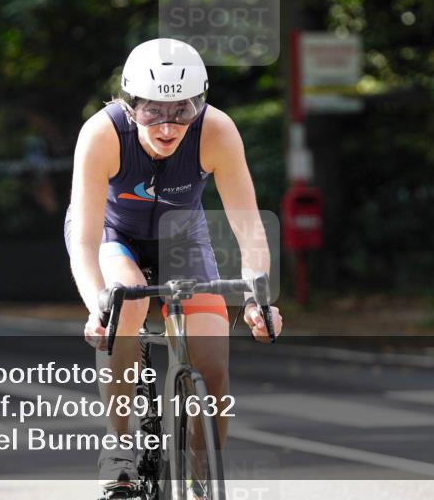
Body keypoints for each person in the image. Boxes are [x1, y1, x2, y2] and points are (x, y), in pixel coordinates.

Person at [64, 38, 284, 496]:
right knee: (122, 303)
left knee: (213, 360)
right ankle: (120, 446)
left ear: (198, 104)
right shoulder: (102, 135)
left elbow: (248, 227)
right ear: (130, 105)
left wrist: (258, 299)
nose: (168, 126)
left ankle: (203, 480)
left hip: (181, 238)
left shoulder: (217, 131)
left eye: (182, 111)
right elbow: (84, 240)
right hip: (112, 236)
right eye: (152, 112)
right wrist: (95, 309)